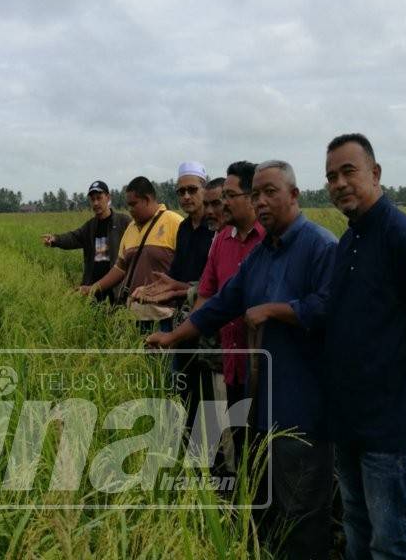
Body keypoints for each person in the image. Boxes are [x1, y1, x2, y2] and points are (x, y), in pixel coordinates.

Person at [147, 160, 337, 560]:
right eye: (256, 195)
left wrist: (275, 310)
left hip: (305, 407)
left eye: (270, 192)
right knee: (264, 502)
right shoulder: (261, 255)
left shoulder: (321, 246)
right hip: (260, 401)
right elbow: (222, 303)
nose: (261, 201)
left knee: (302, 512)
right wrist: (172, 337)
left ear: (295, 195)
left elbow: (331, 307)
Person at [323, 133, 406, 560]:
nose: (339, 183)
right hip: (348, 415)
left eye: (348, 171)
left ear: (375, 174)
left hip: (386, 418)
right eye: (330, 176)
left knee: (391, 537)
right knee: (357, 523)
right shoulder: (349, 240)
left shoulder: (404, 237)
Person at [194, 161, 265, 470]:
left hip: (267, 368)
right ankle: (241, 503)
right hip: (231, 361)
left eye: (228, 195)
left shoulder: (271, 239)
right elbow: (207, 294)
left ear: (252, 196)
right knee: (238, 441)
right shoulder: (222, 240)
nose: (222, 204)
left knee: (268, 445)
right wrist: (188, 332)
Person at [82, 176, 183, 332]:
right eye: (128, 205)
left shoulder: (174, 222)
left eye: (133, 204)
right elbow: (120, 268)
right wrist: (93, 288)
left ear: (148, 199)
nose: (129, 210)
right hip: (135, 316)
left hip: (165, 316)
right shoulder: (130, 228)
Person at [132, 162, 215, 307]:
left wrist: (176, 287)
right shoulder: (183, 227)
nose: (186, 196)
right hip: (182, 306)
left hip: (207, 305)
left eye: (192, 190)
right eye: (181, 192)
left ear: (204, 189)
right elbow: (176, 270)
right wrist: (155, 288)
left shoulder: (216, 227)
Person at [42, 180, 131, 303]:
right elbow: (73, 238)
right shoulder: (90, 227)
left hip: (116, 287)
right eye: (92, 199)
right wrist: (55, 239)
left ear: (108, 198)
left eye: (99, 198)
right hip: (93, 287)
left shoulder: (123, 222)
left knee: (115, 320)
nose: (95, 203)